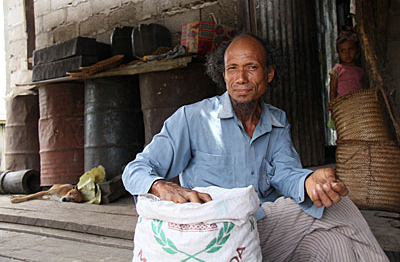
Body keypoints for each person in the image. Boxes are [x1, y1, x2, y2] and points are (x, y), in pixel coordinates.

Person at [122, 33, 388, 261]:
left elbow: (285, 173)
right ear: (222, 74)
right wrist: (160, 185)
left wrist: (308, 182)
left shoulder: (277, 121)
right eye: (232, 68)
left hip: (258, 232)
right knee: (338, 207)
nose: (241, 78)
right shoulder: (193, 118)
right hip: (213, 236)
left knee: (333, 245)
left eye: (251, 67)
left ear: (269, 73)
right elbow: (135, 170)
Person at [329, 28, 364, 102]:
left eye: (350, 49)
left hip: (358, 104)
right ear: (338, 53)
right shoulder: (337, 69)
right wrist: (333, 109)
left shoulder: (360, 70)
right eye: (343, 51)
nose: (347, 54)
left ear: (357, 49)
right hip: (343, 105)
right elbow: (333, 90)